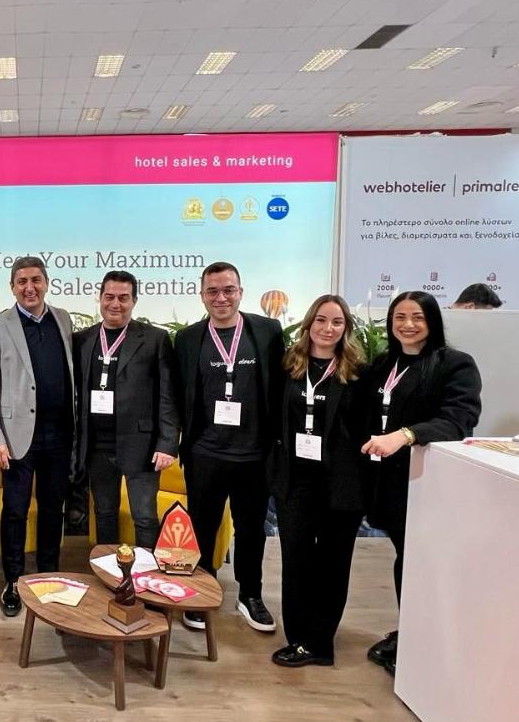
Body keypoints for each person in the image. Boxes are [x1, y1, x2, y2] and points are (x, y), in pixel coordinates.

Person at [360, 291, 481, 675]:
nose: (408, 325)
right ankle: (411, 633)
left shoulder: (454, 364)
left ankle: (425, 644)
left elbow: (458, 420)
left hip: (428, 483)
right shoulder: (383, 365)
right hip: (387, 483)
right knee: (407, 559)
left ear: (432, 321)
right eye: (399, 317)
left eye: (417, 317)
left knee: (424, 564)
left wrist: (406, 435)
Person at [173, 261, 285, 634]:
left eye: (228, 290)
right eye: (213, 291)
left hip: (254, 454)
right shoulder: (188, 339)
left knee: (251, 529)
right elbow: (179, 394)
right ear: (202, 295)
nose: (221, 298)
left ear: (240, 292)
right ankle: (202, 592)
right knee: (202, 527)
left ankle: (250, 594)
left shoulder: (267, 332)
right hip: (205, 453)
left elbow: (281, 387)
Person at [270, 295, 367, 668]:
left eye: (337, 322)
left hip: (341, 483)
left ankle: (321, 643)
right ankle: (298, 638)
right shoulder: (289, 366)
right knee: (295, 560)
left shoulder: (358, 373)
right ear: (309, 324)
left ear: (346, 328)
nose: (328, 328)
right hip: (295, 480)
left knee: (333, 563)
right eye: (322, 320)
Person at [0, 256, 75, 616]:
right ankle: (14, 581)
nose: (29, 288)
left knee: (52, 509)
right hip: (16, 438)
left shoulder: (62, 318)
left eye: (36, 280)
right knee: (15, 511)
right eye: (22, 282)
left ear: (46, 283)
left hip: (60, 435)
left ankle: (48, 575)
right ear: (12, 287)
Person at [73, 270, 179, 550]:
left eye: (123, 298)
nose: (115, 304)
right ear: (100, 298)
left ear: (134, 301)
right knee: (104, 514)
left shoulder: (155, 338)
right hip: (97, 448)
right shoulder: (82, 340)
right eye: (109, 297)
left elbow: (168, 395)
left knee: (144, 518)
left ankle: (145, 573)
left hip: (142, 446)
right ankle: (108, 569)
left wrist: (167, 443)